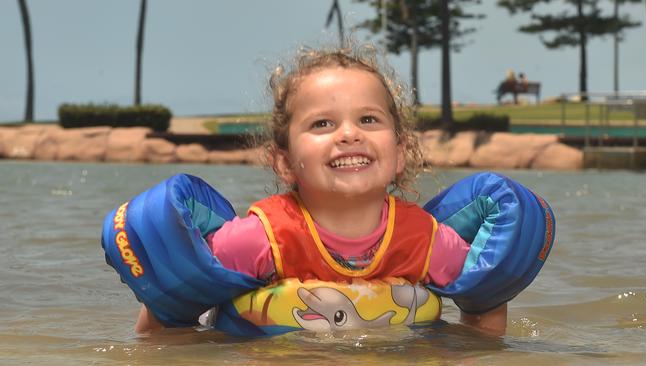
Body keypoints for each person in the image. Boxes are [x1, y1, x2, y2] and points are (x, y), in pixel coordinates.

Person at [105, 45, 553, 338]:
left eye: (369, 120)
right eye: (322, 124)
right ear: (284, 162)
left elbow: (484, 311)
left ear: (399, 153)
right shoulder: (259, 239)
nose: (349, 135)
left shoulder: (427, 241)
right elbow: (170, 315)